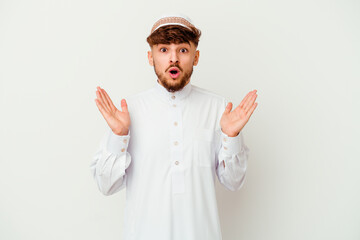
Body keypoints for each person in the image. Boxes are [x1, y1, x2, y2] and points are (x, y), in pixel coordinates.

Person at [91, 14, 258, 240]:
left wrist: (231, 136)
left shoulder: (218, 108)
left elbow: (234, 182)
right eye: (163, 50)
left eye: (182, 50)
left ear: (195, 57)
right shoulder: (127, 111)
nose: (173, 59)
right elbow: (106, 185)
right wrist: (119, 135)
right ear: (150, 57)